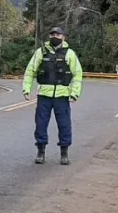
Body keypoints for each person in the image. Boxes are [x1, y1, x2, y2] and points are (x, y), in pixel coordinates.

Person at [23, 27, 83, 165]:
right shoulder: (41, 52)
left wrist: (74, 93)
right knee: (41, 124)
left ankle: (64, 152)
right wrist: (26, 89)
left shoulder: (70, 54)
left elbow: (77, 74)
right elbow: (30, 70)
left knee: (64, 125)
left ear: (63, 37)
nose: (55, 36)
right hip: (44, 95)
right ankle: (41, 151)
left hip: (62, 96)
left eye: (58, 34)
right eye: (52, 34)